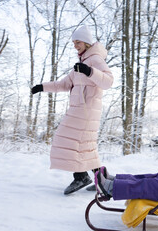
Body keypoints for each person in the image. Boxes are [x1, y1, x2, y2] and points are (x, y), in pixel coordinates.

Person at [31, 25, 113, 195]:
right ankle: (102, 179)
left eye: (78, 42)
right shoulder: (82, 62)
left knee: (66, 140)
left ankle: (82, 176)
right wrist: (42, 87)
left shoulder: (95, 59)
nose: (75, 45)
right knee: (85, 145)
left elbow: (108, 82)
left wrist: (89, 71)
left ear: (87, 42)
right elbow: (64, 84)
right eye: (74, 42)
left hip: (87, 109)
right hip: (79, 109)